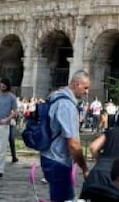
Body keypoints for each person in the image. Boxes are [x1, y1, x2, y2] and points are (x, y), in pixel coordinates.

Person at [41, 70, 91, 202]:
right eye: (85, 88)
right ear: (76, 84)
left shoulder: (56, 96)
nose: (87, 92)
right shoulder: (67, 105)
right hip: (58, 159)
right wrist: (84, 168)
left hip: (49, 155)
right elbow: (73, 143)